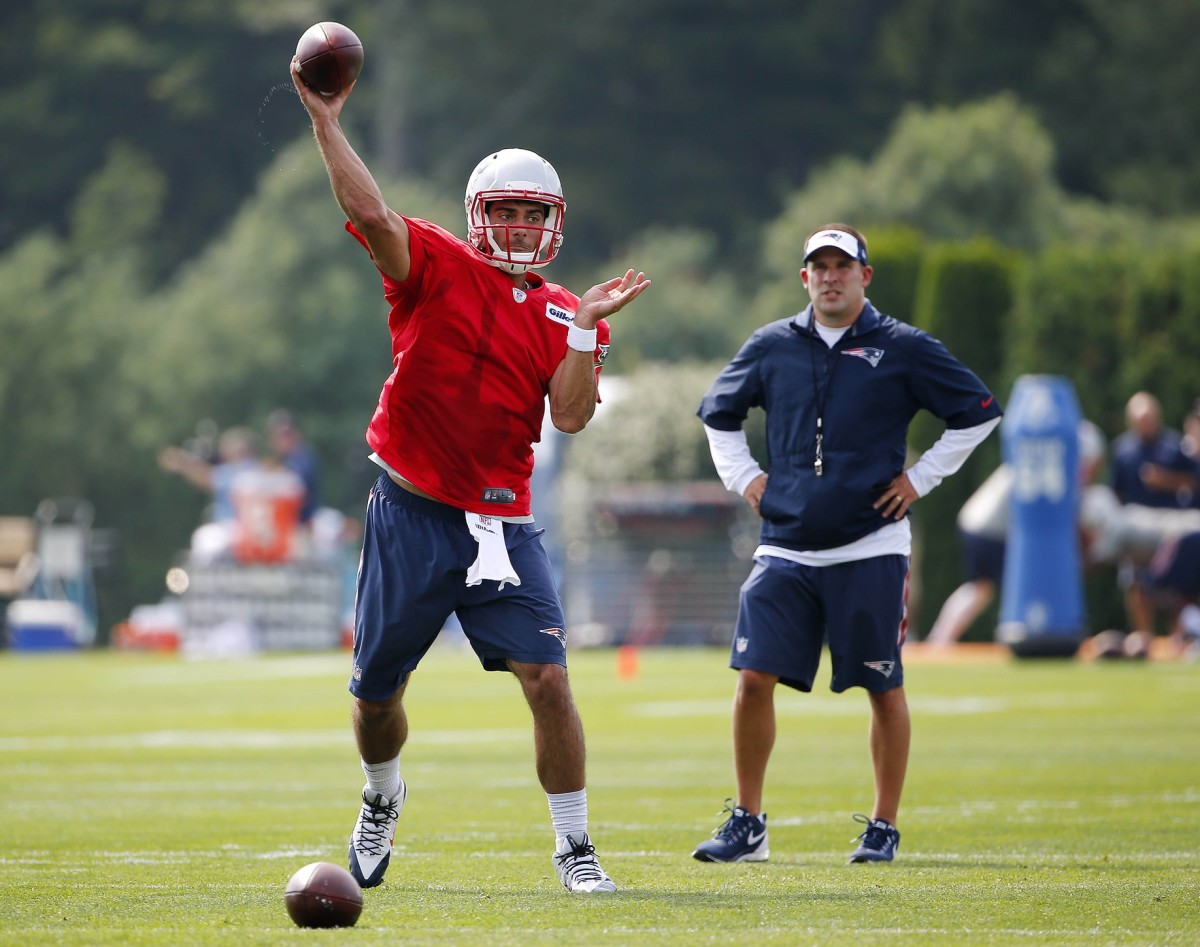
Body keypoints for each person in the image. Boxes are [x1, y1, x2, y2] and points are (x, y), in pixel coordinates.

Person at [291, 56, 650, 895]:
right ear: (476, 216)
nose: (520, 226)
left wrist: (585, 333)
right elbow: (371, 212)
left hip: (502, 524)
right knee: (377, 696)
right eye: (506, 211)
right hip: (410, 511)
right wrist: (325, 119)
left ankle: (574, 844)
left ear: (554, 222)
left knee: (550, 679)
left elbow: (567, 415)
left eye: (534, 213)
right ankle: (381, 794)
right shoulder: (436, 266)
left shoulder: (564, 309)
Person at [692, 224, 1002, 864]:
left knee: (883, 685)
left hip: (871, 546)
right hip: (783, 546)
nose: (830, 276)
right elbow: (718, 414)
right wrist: (746, 478)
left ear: (865, 276)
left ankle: (883, 827)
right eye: (819, 266)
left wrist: (919, 479)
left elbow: (979, 411)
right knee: (753, 678)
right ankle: (748, 824)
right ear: (804, 277)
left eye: (843, 265)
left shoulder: (904, 347)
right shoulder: (771, 344)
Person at [925, 419, 1105, 647]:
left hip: (981, 523)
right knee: (986, 587)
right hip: (989, 528)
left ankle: (940, 639)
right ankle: (942, 640)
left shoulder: (1038, 460)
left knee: (981, 588)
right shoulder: (1050, 470)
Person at [1109, 392, 1196, 641]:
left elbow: (1193, 483)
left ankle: (1178, 638)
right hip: (1137, 528)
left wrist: (1165, 481)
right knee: (1135, 582)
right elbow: (1115, 491)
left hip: (1169, 528)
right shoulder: (1123, 450)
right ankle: (1143, 636)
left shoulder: (1175, 446)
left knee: (1175, 586)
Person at [157, 425, 261, 524]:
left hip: (237, 528)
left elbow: (207, 478)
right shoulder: (255, 469)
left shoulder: (241, 471)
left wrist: (182, 462)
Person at [266, 409, 321, 526]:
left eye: (286, 435)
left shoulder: (304, 457)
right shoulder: (284, 459)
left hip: (304, 522)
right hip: (287, 523)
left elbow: (299, 488)